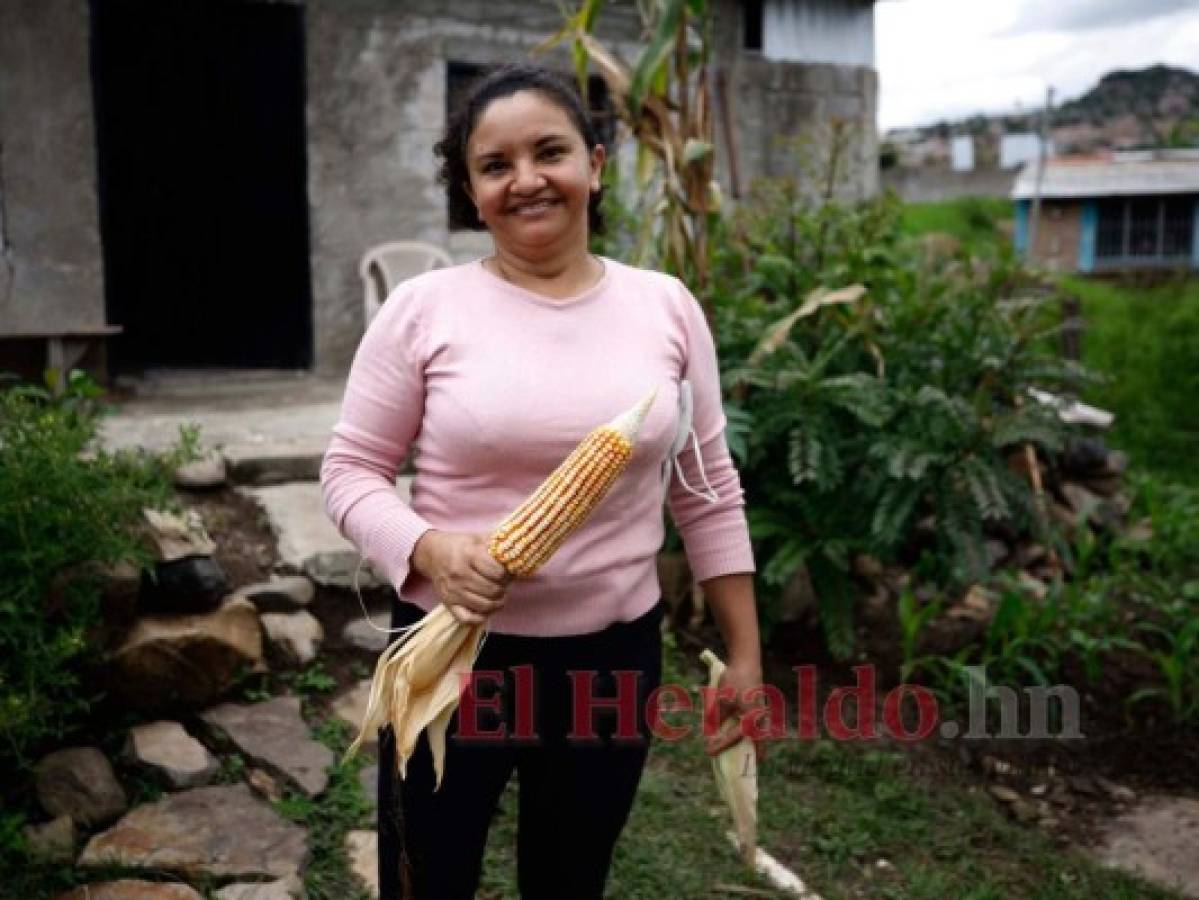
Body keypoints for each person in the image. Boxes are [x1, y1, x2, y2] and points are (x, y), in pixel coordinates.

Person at [321, 62, 763, 900]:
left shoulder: (666, 307)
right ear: (470, 189)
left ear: (595, 165)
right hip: (451, 654)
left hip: (610, 662)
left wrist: (744, 656)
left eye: (549, 152)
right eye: (494, 165)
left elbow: (707, 491)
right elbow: (350, 470)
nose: (526, 180)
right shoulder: (422, 309)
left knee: (571, 878)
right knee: (426, 876)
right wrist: (431, 548)